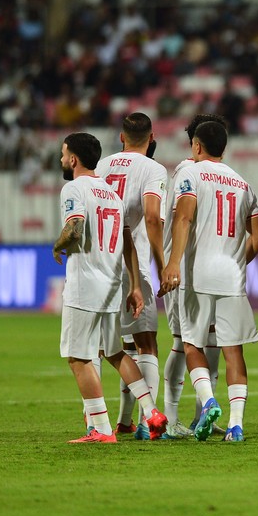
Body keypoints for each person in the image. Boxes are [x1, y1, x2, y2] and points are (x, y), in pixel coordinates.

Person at [53, 132, 167, 443]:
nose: (62, 159)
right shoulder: (111, 194)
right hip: (111, 285)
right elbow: (127, 240)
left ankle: (102, 429)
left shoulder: (73, 188)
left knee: (78, 357)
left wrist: (57, 245)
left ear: (73, 159)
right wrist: (134, 284)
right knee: (114, 352)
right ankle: (151, 411)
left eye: (64, 154)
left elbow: (74, 228)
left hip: (85, 286)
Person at [161, 121, 258, 442]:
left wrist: (173, 262)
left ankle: (207, 401)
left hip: (198, 273)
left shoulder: (191, 174)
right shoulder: (243, 183)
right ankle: (236, 425)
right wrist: (238, 261)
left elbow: (184, 217)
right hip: (232, 276)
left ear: (196, 146)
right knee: (233, 350)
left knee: (192, 344)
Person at [94, 113, 168, 439]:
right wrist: (163, 264)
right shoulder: (153, 169)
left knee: (116, 345)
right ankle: (147, 422)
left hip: (100, 263)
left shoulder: (101, 166)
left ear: (122, 137)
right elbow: (152, 217)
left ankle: (121, 420)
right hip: (132, 263)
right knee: (146, 343)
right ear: (151, 138)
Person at [160, 114, 228, 438]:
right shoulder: (189, 171)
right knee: (184, 341)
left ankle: (202, 415)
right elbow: (182, 219)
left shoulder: (208, 172)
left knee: (207, 341)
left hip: (205, 270)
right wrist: (173, 262)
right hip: (188, 269)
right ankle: (172, 419)